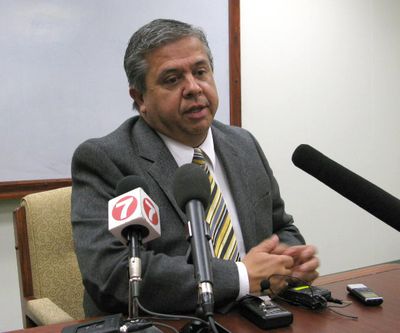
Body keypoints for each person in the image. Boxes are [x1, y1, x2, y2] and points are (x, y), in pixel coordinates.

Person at [71, 19, 319, 317]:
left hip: (257, 316)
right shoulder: (105, 159)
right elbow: (114, 273)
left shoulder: (243, 145)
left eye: (200, 72)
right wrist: (241, 277)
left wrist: (289, 261)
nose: (193, 88)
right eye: (172, 79)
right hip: (167, 323)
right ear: (140, 98)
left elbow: (280, 226)